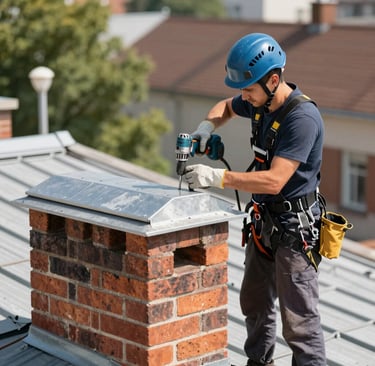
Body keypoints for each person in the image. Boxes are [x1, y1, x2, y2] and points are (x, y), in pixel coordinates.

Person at [184, 33, 326, 366]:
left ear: (273, 80)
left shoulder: (301, 119)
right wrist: (207, 126)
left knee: (300, 324)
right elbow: (224, 106)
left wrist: (217, 177)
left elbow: (276, 180)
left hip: (295, 233)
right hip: (265, 224)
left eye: (249, 90)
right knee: (255, 303)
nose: (244, 97)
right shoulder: (261, 101)